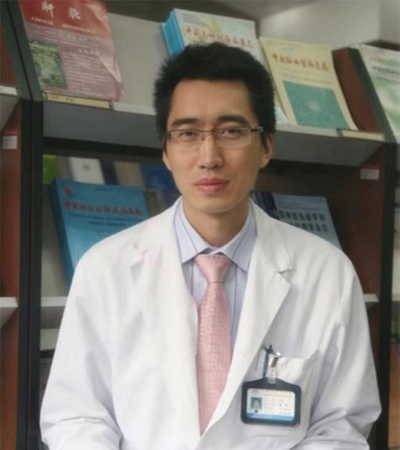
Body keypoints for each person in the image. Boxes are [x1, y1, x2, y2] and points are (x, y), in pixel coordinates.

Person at [41, 42, 381, 449]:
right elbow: (76, 414)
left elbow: (340, 425)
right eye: (187, 133)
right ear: (166, 151)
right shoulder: (105, 268)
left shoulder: (327, 273)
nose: (209, 157)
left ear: (266, 146)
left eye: (231, 131)